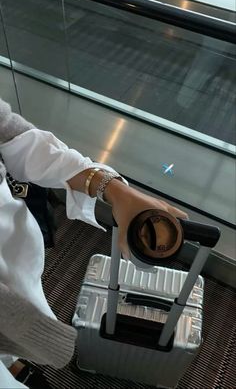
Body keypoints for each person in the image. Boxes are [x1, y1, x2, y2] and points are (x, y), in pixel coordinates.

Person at [0, 97, 188, 388]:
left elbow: (12, 135)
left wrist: (111, 188)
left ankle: (9, 360)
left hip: (12, 244)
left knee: (22, 301)